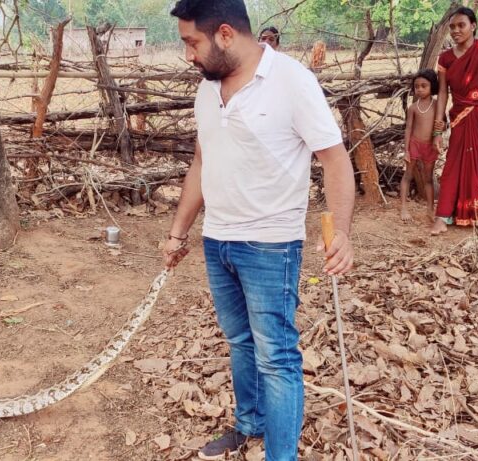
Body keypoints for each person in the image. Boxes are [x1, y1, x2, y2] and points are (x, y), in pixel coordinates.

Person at [164, 1, 356, 459]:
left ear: (225, 34)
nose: (189, 55)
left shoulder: (292, 81)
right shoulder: (207, 90)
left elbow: (335, 159)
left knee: (277, 357)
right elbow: (202, 162)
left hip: (271, 245)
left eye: (193, 43)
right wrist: (178, 232)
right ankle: (249, 424)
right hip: (218, 239)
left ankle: (280, 454)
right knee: (239, 341)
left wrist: (342, 232)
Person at [429, 7, 478, 235]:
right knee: (453, 166)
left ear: (473, 26)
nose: (456, 30)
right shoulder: (445, 58)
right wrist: (438, 129)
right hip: (461, 117)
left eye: (461, 25)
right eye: (452, 27)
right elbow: (442, 93)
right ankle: (442, 217)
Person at [400, 69, 440, 222]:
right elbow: (408, 128)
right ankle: (403, 207)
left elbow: (441, 124)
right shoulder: (413, 108)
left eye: (424, 86)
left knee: (428, 178)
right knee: (407, 175)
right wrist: (406, 150)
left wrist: (440, 137)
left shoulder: (437, 105)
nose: (420, 89)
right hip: (414, 144)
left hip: (430, 146)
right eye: (417, 86)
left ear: (432, 86)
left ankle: (430, 209)